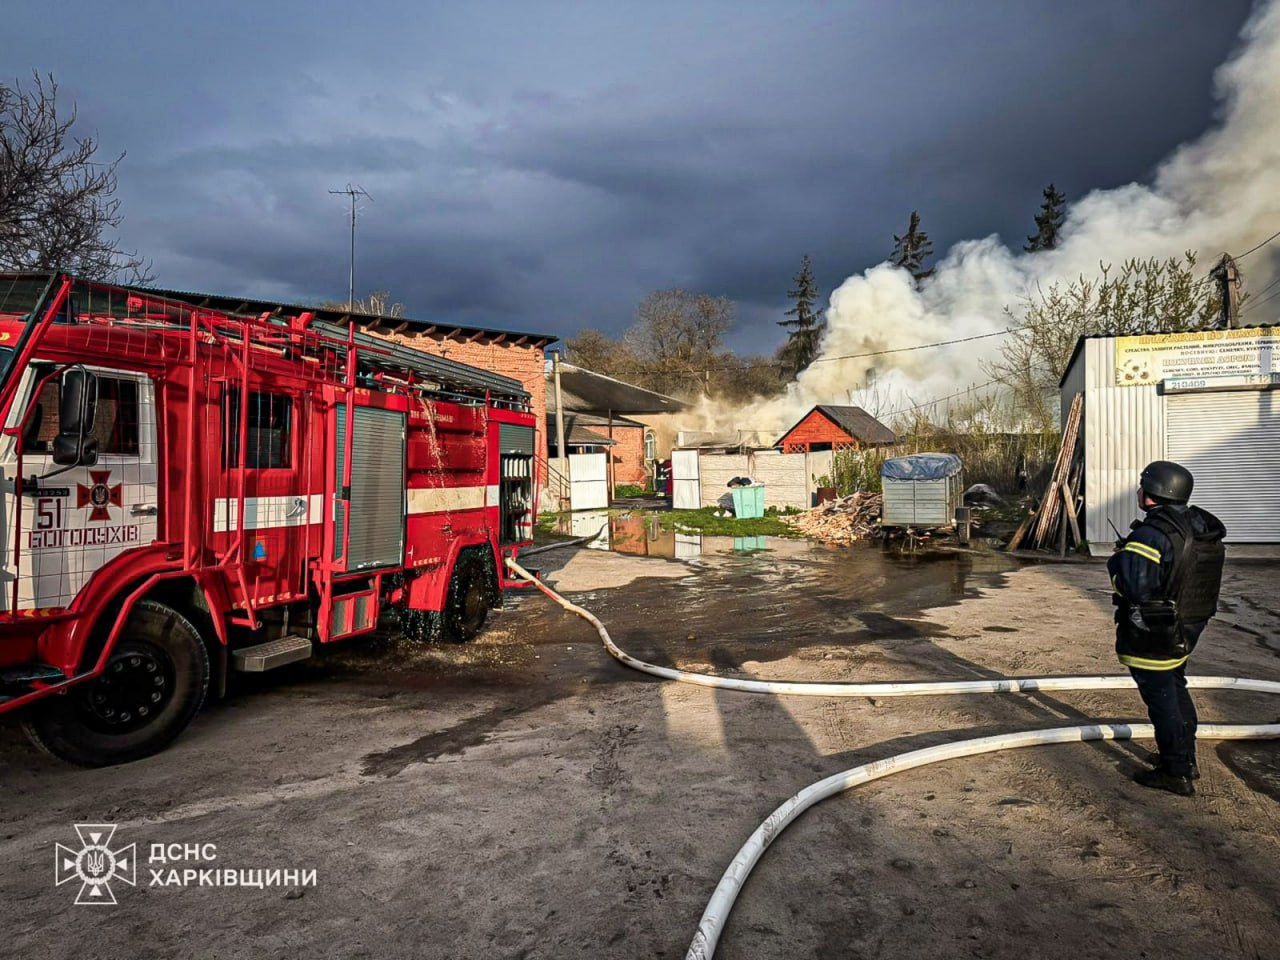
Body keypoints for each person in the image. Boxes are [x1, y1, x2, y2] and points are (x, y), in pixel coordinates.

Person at [1107, 460, 1226, 796]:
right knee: (1175, 686)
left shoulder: (1151, 534)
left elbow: (1133, 587)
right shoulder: (1196, 525)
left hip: (1154, 632)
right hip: (1187, 625)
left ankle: (1176, 772)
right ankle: (1185, 758)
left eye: (1142, 485)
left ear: (1152, 493)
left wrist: (1119, 561)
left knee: (1162, 699)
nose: (1138, 491)